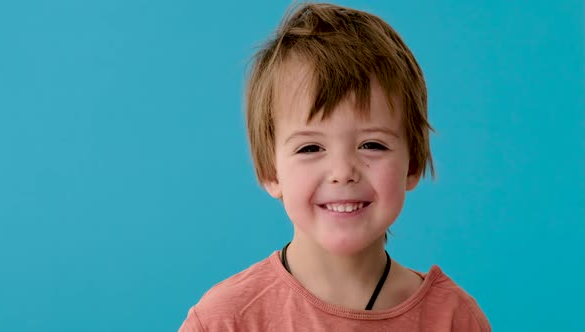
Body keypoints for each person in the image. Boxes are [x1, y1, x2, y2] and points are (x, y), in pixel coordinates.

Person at [179, 2, 490, 331]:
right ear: (271, 172)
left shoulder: (453, 318)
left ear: (411, 165)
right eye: (310, 147)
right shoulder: (225, 320)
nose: (343, 171)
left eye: (372, 145)